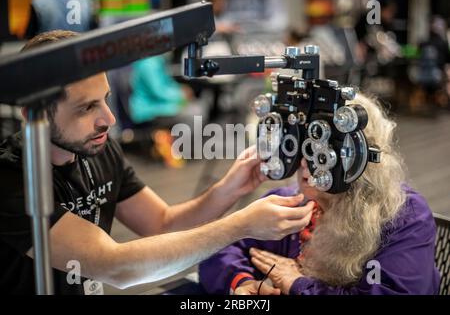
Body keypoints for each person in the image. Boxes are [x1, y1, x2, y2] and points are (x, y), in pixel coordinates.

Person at [0, 30, 314, 295]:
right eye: (86, 108)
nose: (108, 119)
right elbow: (117, 266)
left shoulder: (98, 150)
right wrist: (240, 224)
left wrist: (228, 189)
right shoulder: (10, 179)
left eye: (105, 100)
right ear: (33, 113)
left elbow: (162, 224)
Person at [199, 93, 440, 295]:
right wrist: (241, 283)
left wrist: (297, 283)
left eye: (323, 151)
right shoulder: (290, 204)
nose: (305, 162)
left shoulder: (403, 215)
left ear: (359, 157)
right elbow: (219, 246)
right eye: (301, 145)